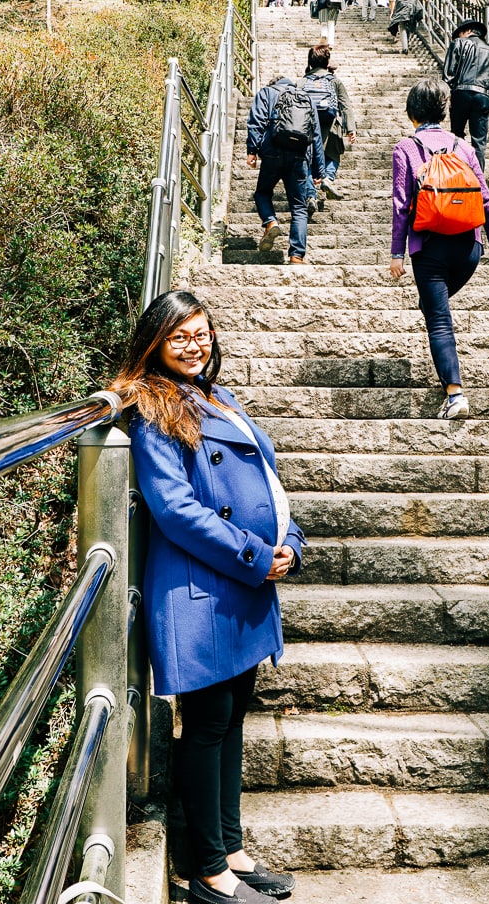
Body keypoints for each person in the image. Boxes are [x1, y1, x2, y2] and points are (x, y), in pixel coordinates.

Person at [111, 290, 305, 904]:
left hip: (240, 584)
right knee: (206, 724)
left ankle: (233, 850)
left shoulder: (219, 398)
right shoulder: (152, 409)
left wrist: (289, 545)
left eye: (201, 333)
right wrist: (253, 554)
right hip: (203, 588)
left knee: (232, 718)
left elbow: (270, 486)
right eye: (179, 336)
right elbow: (174, 508)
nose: (195, 345)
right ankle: (208, 872)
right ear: (156, 344)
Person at [390, 78, 489, 420]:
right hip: (469, 247)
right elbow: (484, 196)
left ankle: (455, 394)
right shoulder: (464, 146)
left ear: (412, 113)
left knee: (439, 319)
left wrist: (397, 253)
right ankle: (449, 375)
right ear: (444, 111)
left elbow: (401, 205)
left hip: (429, 247)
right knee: (432, 306)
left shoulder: (406, 148)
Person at [247, 75, 326, 265]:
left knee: (262, 193)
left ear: (273, 83)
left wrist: (252, 151)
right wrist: (318, 171)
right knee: (299, 207)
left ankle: (270, 221)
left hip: (272, 153)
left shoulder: (266, 92)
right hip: (299, 157)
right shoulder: (306, 97)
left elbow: (256, 121)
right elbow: (316, 136)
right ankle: (296, 255)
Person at [443, 18, 489, 173]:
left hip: (461, 93)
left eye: (459, 33)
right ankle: (478, 181)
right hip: (483, 97)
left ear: (467, 31)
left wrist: (447, 95)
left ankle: (456, 174)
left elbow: (448, 73)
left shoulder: (458, 43)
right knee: (479, 142)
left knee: (456, 135)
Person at [301, 44, 357, 210]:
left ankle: (310, 195)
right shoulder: (334, 81)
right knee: (333, 156)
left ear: (310, 62)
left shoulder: (302, 81)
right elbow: (346, 105)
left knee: (308, 162)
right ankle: (327, 179)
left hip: (308, 129)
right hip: (331, 127)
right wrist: (351, 129)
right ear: (327, 62)